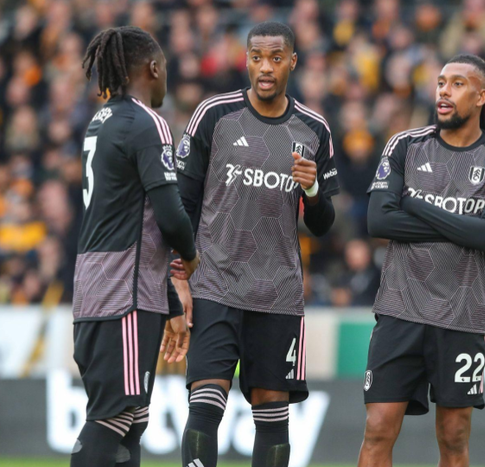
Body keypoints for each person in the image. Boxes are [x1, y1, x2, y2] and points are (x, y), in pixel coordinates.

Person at [173, 21, 339, 467]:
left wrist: (312, 191)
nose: (265, 67)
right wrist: (178, 278)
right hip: (215, 284)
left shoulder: (314, 129)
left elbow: (324, 225)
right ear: (246, 59)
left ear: (292, 62)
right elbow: (182, 204)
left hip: (277, 293)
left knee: (272, 413)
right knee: (205, 402)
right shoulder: (214, 115)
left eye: (275, 58)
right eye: (256, 57)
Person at [359, 54, 485, 467]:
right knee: (378, 426)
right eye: (440, 83)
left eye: (457, 84)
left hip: (462, 317)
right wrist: (462, 225)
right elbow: (379, 220)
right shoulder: (405, 145)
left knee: (453, 436)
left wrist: (414, 205)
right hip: (400, 310)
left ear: (481, 96)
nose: (444, 91)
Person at [70, 26, 199, 467]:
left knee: (134, 417)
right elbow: (169, 214)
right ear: (154, 68)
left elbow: (137, 224)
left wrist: (170, 305)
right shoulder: (146, 122)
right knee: (114, 417)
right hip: (122, 292)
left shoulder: (101, 120)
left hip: (102, 283)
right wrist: (192, 257)